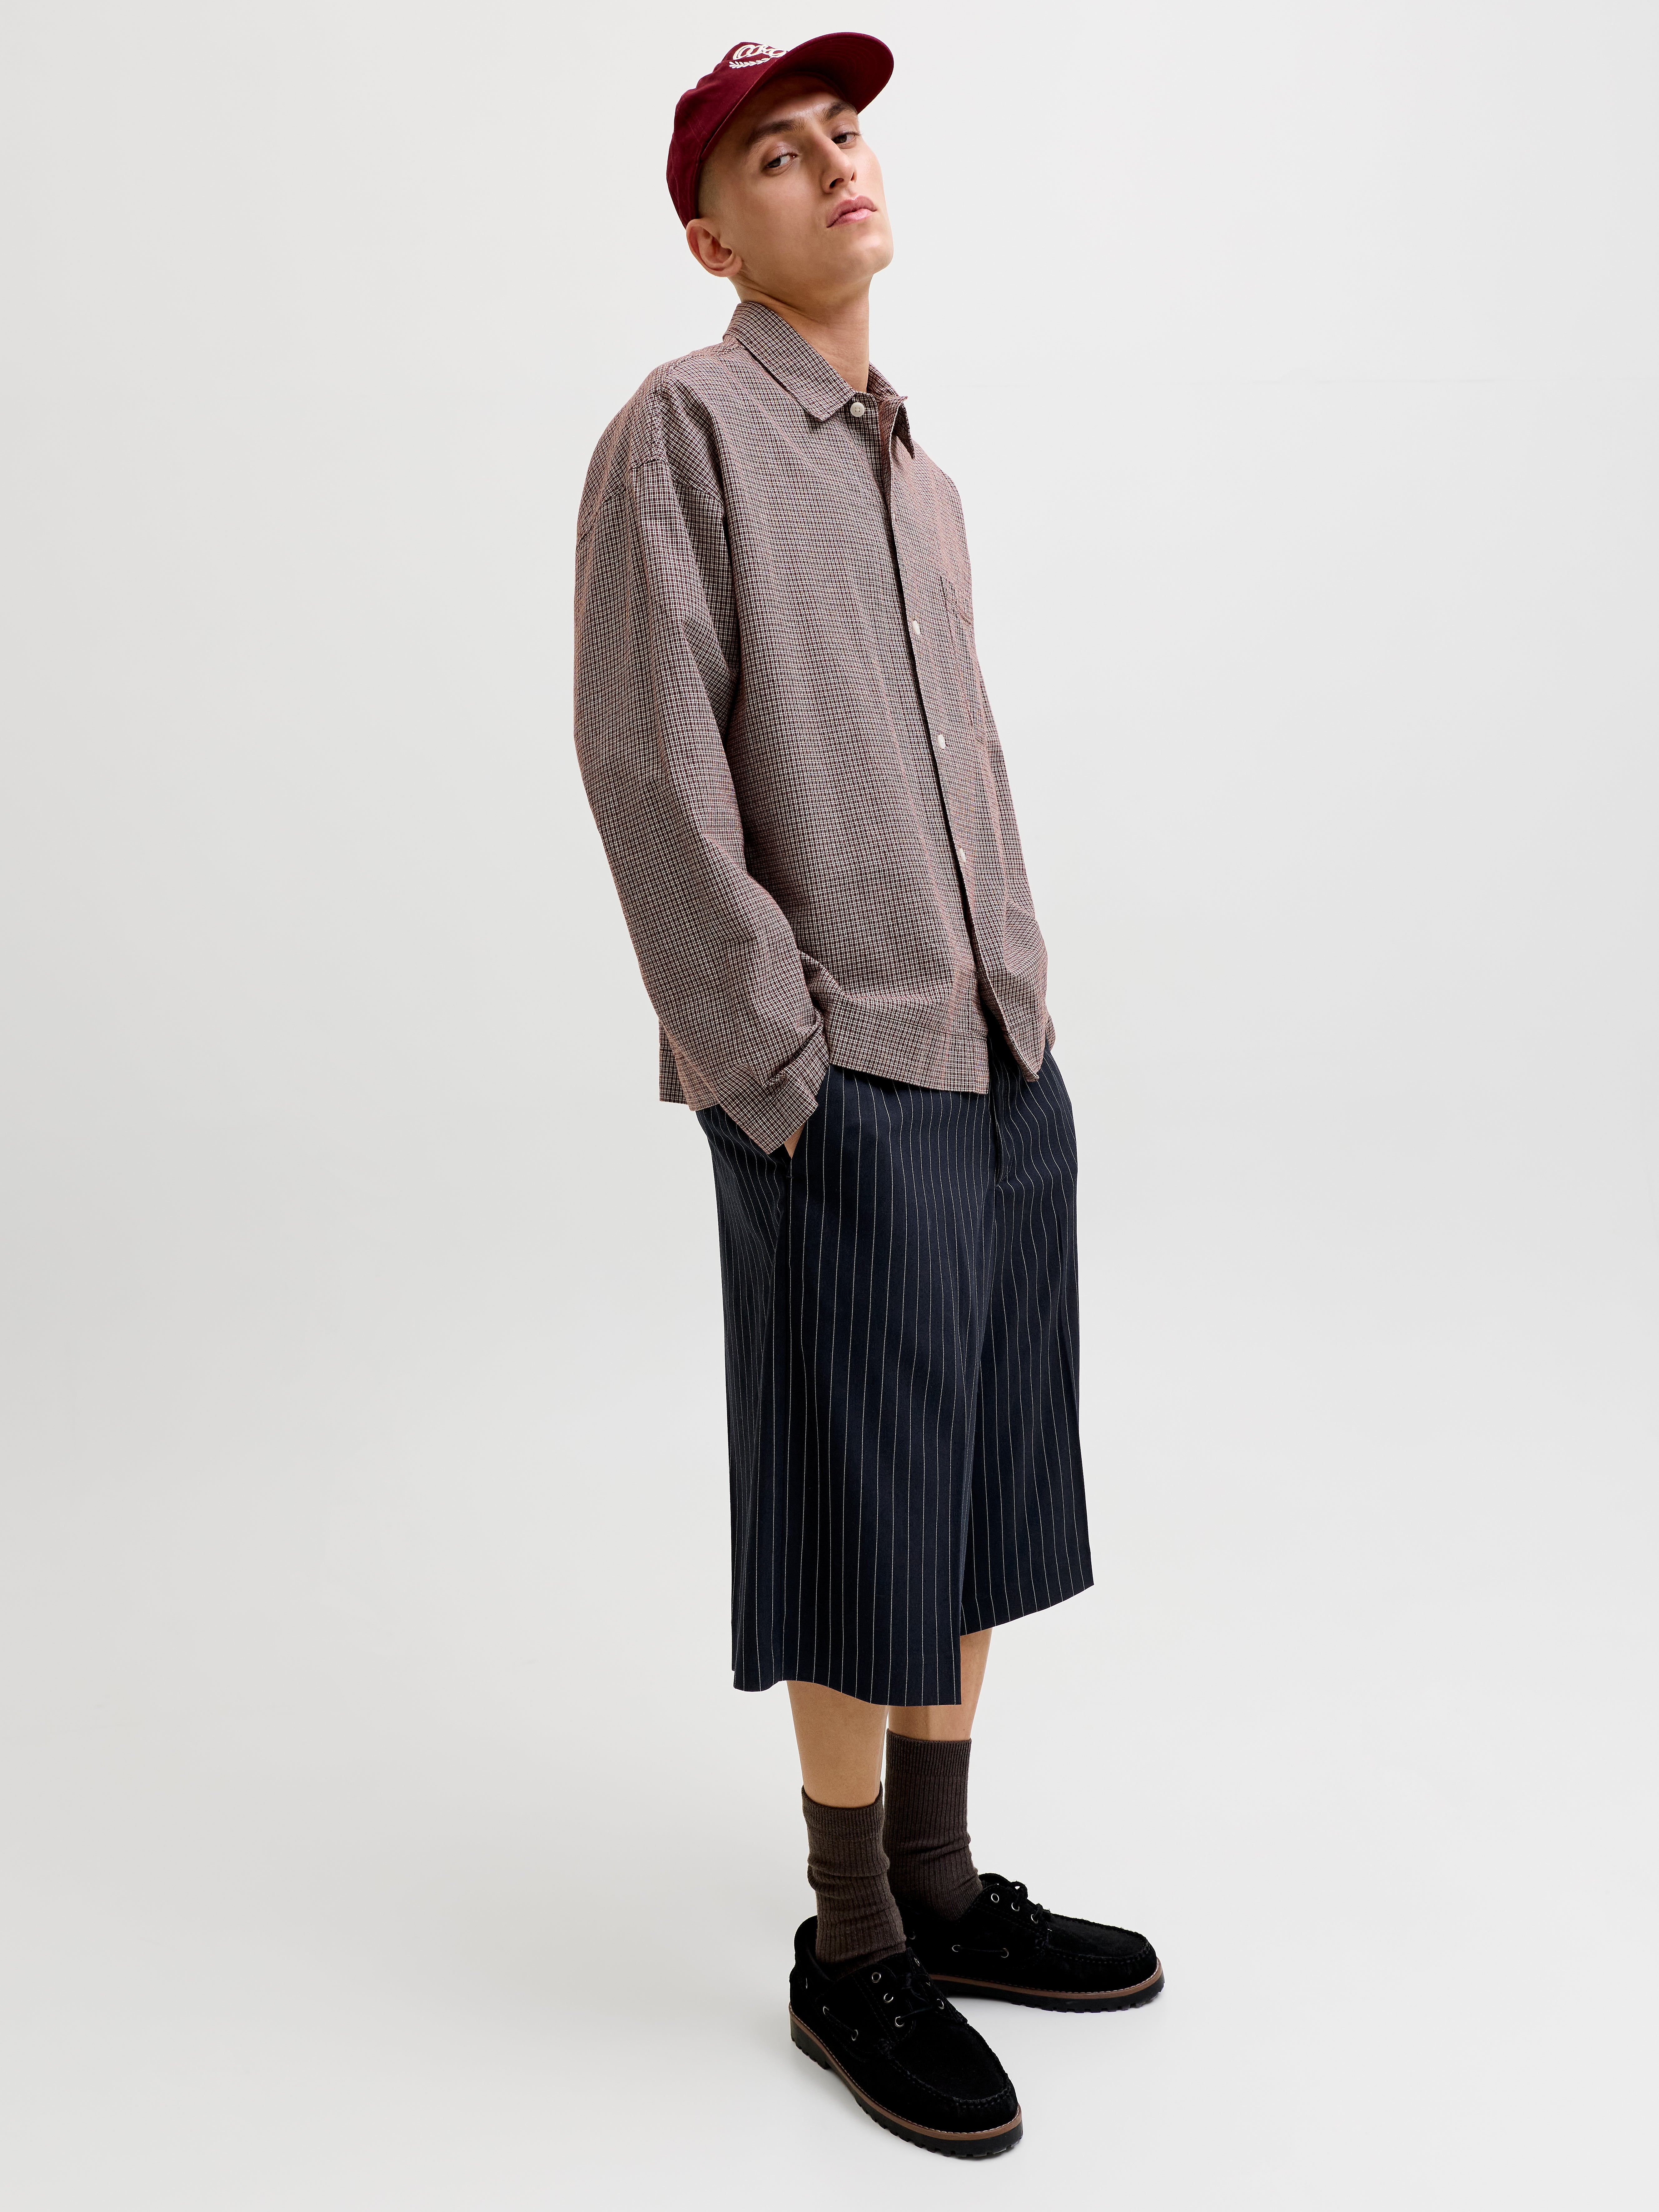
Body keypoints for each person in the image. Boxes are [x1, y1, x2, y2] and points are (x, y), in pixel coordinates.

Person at [574, 33, 1162, 2158]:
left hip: (999, 1059)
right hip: (843, 1079)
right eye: (777, 152)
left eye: (847, 134)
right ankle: (850, 1944)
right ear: (711, 233)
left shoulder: (921, 476)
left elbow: (961, 759)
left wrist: (1028, 1006)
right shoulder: (683, 432)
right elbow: (651, 766)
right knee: (858, 1505)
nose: (835, 165)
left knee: (978, 1487)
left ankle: (938, 1878)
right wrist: (777, 1069)